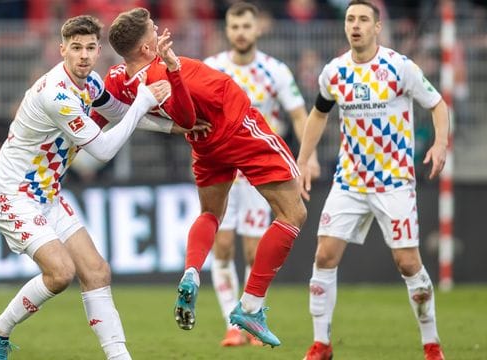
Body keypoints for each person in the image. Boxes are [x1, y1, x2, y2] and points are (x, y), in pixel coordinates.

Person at [0, 15, 179, 360]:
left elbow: (117, 113)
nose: (83, 55)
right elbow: (102, 150)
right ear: (62, 50)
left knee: (97, 271)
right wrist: (144, 101)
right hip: (11, 194)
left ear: (98, 50)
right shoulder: (57, 94)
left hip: (47, 196)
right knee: (60, 274)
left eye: (89, 48)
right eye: (75, 48)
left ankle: (119, 357)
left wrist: (177, 128)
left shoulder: (91, 83)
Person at [104, 7, 307, 347]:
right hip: (238, 128)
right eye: (153, 29)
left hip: (205, 144)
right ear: (144, 48)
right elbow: (184, 115)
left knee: (211, 214)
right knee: (294, 213)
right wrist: (173, 68)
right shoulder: (160, 74)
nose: (159, 31)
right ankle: (251, 306)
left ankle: (192, 271)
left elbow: (111, 110)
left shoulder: (117, 77)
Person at [296, 1, 448, 359]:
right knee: (324, 256)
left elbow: (438, 104)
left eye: (364, 19)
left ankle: (432, 345)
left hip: (394, 180)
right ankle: (322, 344)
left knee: (408, 263)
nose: (356, 25)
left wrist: (440, 143)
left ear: (377, 27)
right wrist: (304, 158)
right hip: (349, 181)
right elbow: (318, 113)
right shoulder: (334, 72)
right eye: (351, 19)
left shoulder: (398, 67)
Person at [202, 1, 320, 347]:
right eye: (234, 26)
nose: (240, 32)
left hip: (258, 172)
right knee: (222, 246)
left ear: (257, 29)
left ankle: (252, 314)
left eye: (246, 26)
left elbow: (299, 115)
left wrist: (307, 157)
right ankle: (232, 325)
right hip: (223, 170)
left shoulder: (275, 71)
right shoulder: (213, 68)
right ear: (227, 30)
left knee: (256, 251)